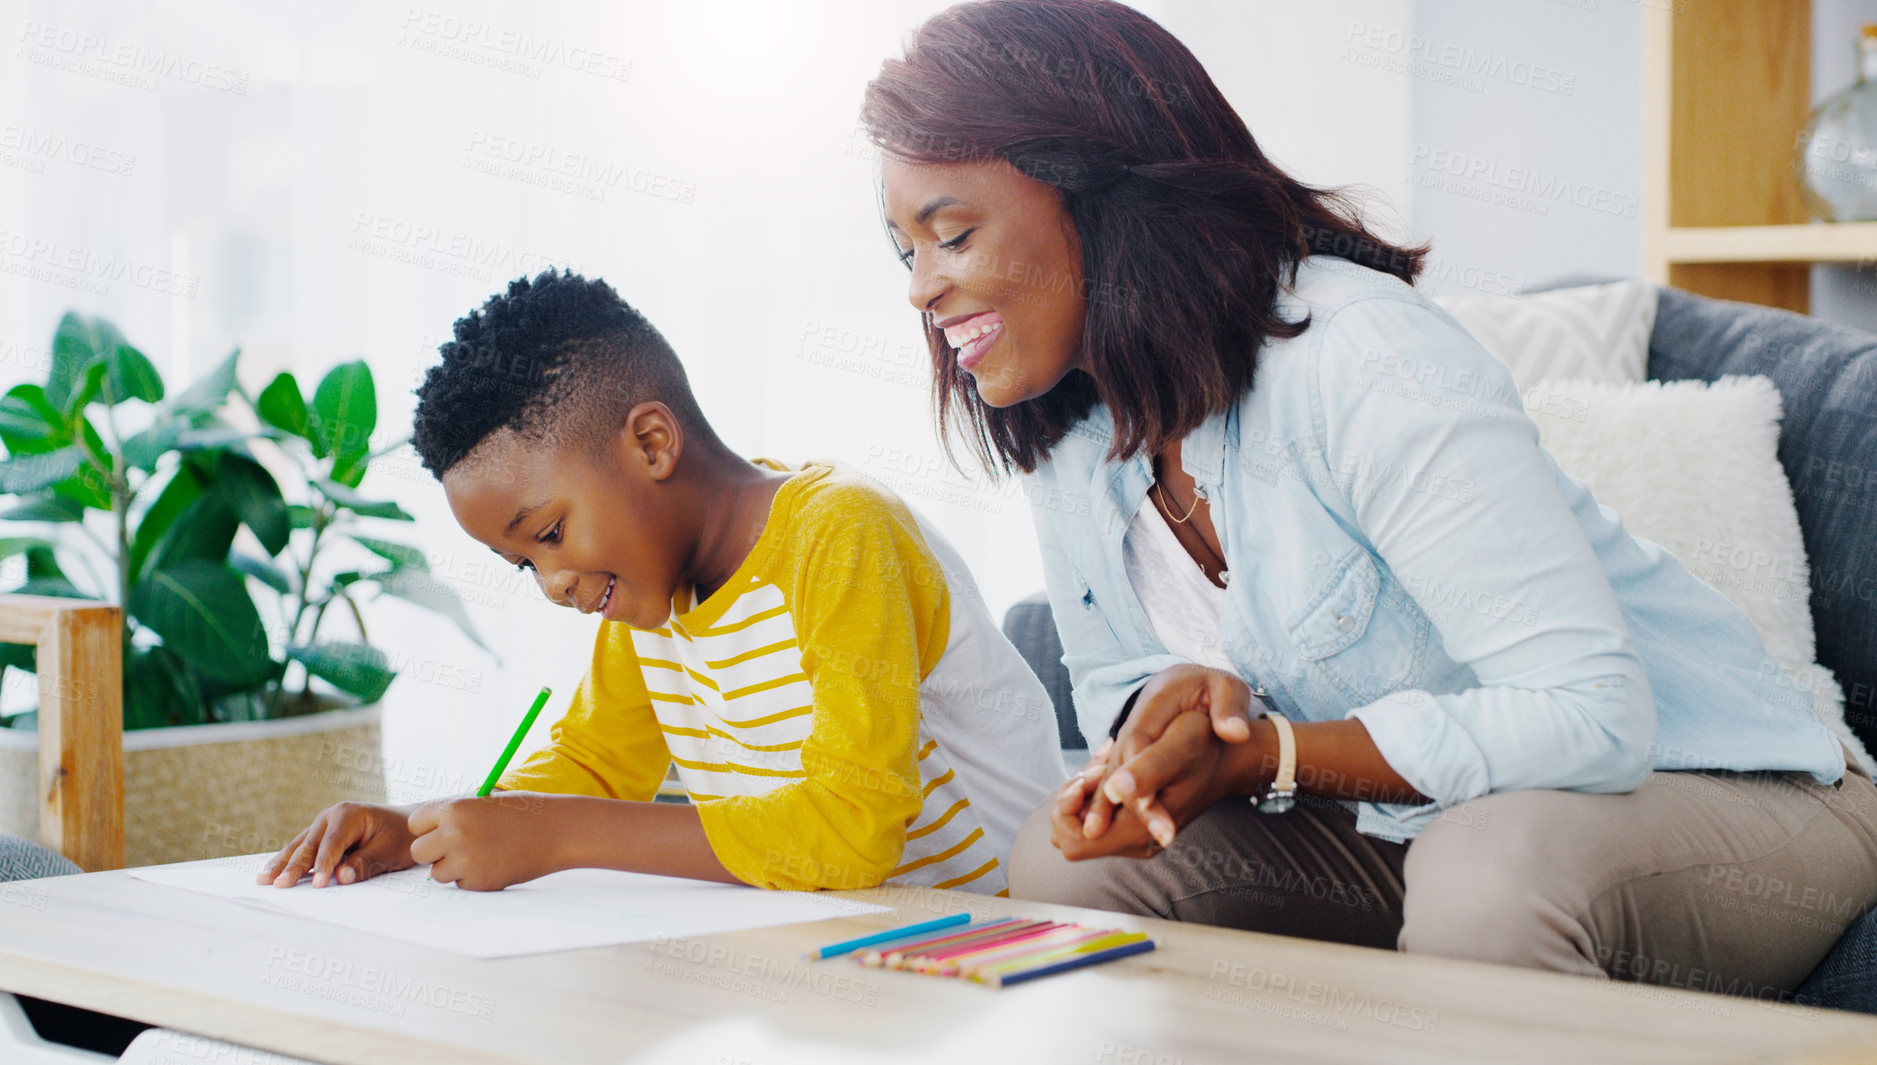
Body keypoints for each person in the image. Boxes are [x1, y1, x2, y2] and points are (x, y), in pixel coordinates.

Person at [859, 0, 1877, 997]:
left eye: (951, 236)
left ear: (1100, 197)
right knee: (1070, 862)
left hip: (1726, 787)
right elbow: (1111, 677)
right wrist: (1175, 714)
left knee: (1485, 880)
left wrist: (1272, 754)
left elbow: (1589, 717)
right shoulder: (1069, 424)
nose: (919, 289)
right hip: (1420, 823)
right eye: (906, 249)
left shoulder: (1364, 357)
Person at [256, 269, 1065, 894]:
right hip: (833, 939)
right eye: (525, 565)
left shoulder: (840, 531)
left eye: (548, 534)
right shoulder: (650, 601)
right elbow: (595, 766)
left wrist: (553, 836)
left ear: (649, 443)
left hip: (984, 934)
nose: (552, 584)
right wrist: (415, 828)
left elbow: (851, 831)